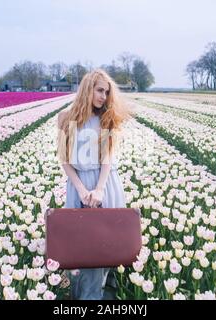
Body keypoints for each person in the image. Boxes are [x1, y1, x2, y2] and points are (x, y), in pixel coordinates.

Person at [56, 69, 132, 300]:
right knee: (81, 247)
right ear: (87, 88)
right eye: (99, 90)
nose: (103, 96)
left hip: (104, 183)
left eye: (106, 92)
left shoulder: (106, 118)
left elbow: (107, 159)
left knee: (103, 246)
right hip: (78, 184)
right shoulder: (65, 118)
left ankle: (102, 298)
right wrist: (80, 188)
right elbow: (64, 159)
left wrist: (99, 189)